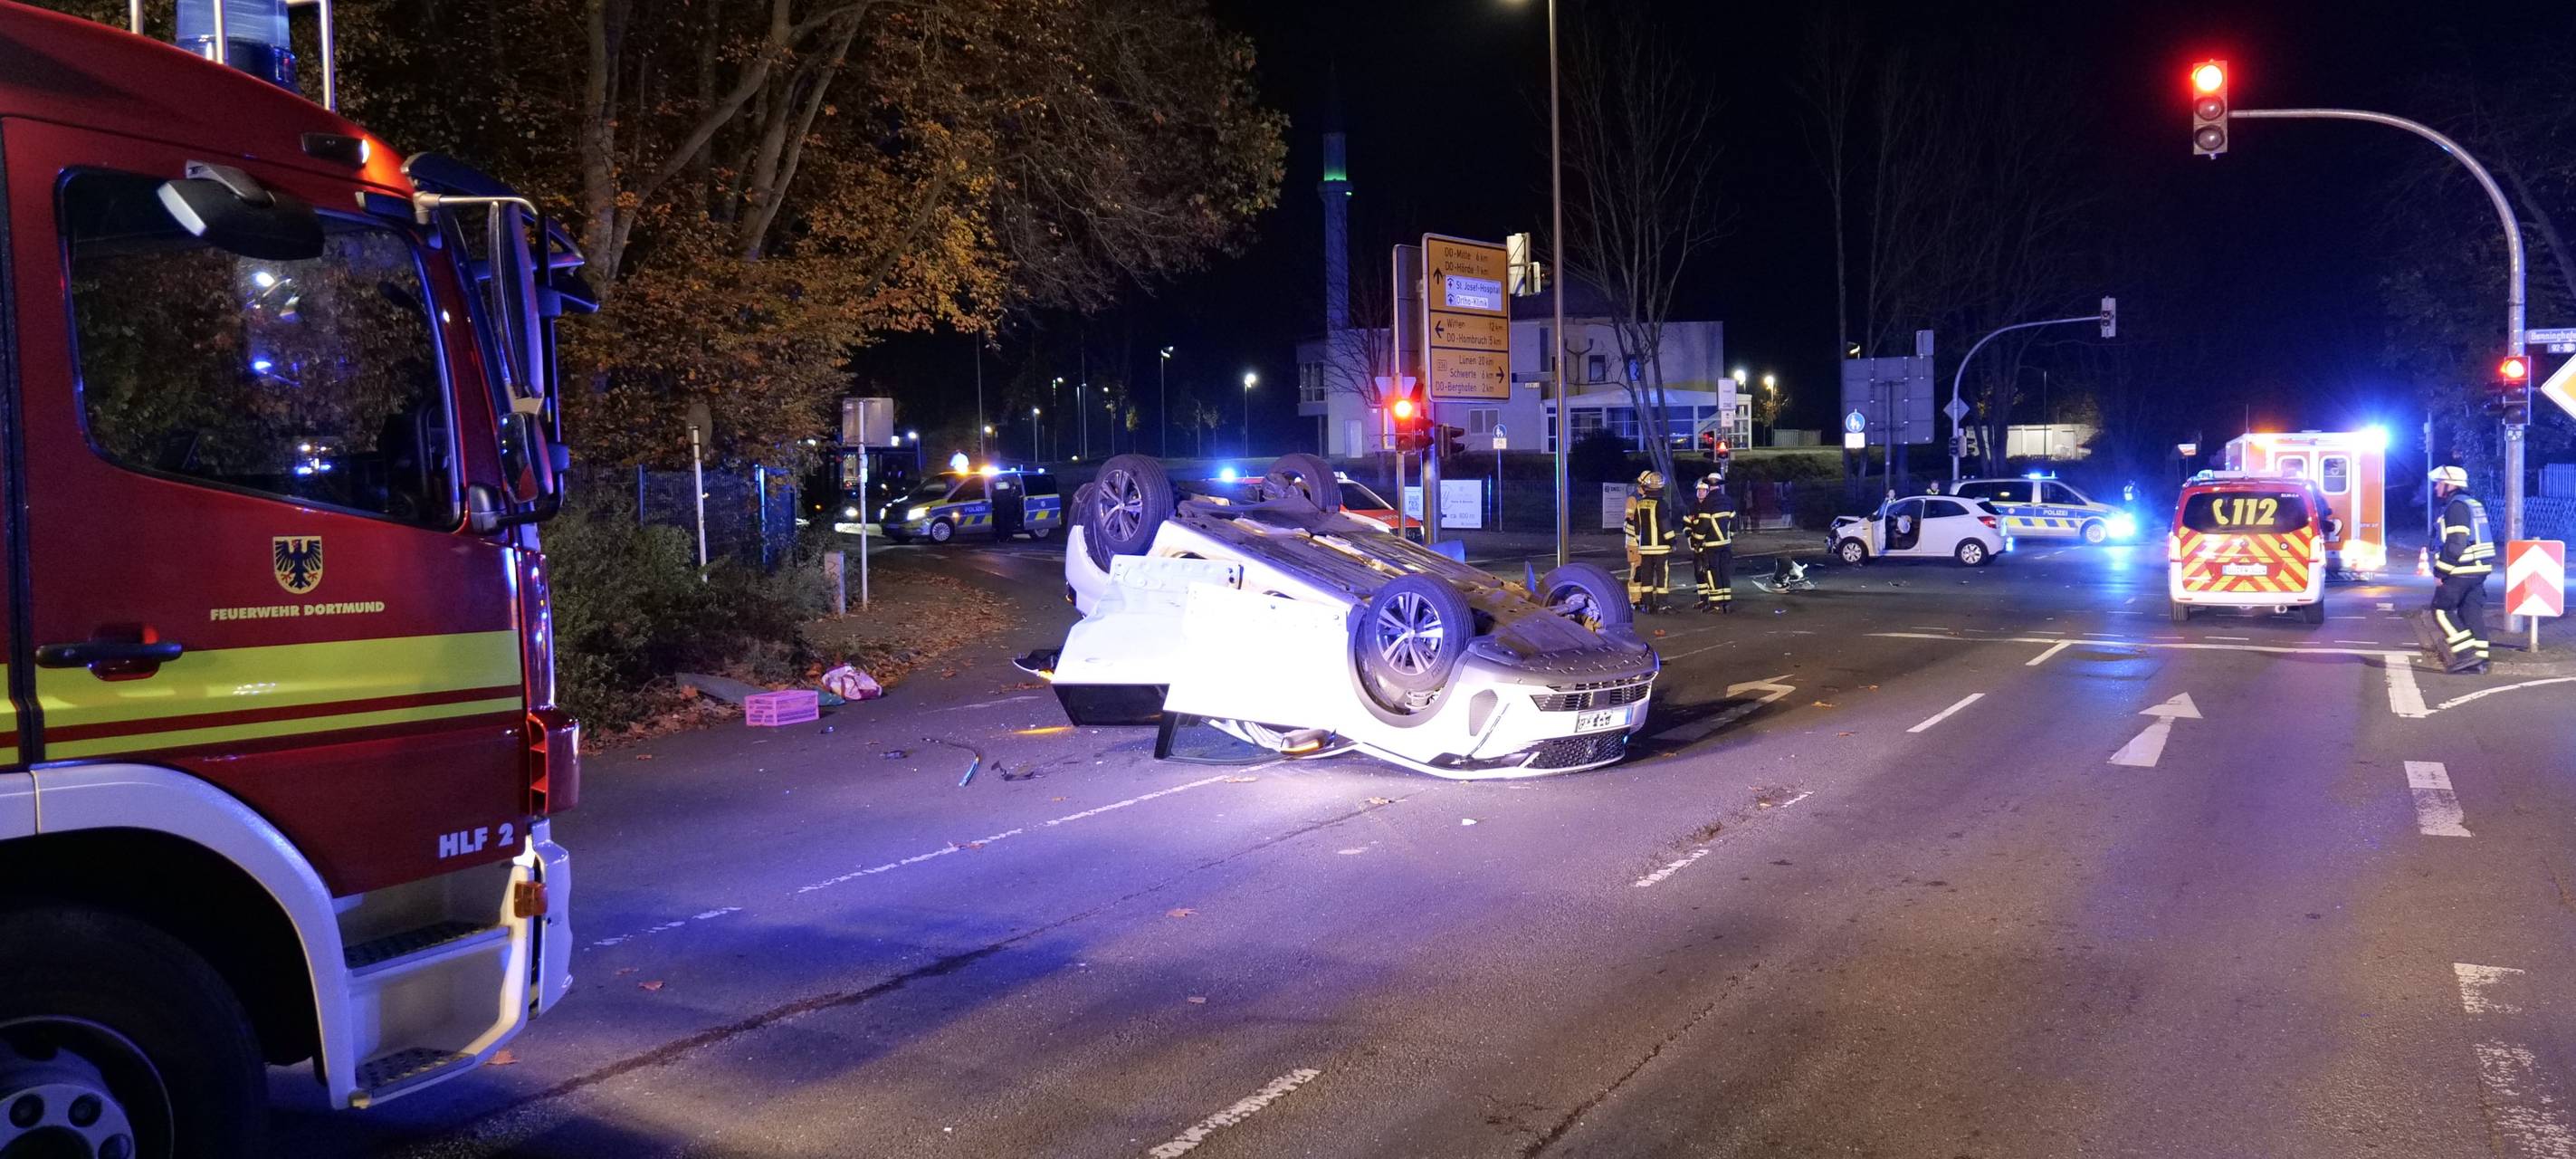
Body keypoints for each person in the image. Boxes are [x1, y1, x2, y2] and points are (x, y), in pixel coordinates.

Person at [2428, 465, 2495, 674]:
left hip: (2461, 569)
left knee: (2441, 611)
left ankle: (2467, 654)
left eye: (2439, 483)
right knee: (2470, 610)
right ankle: (2480, 659)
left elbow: (2456, 543)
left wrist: (2441, 572)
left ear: (2450, 485)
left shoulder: (2456, 507)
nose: (2436, 487)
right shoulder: (2472, 503)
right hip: (2478, 569)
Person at [1626, 470, 1676, 614]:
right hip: (1660, 548)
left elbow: (1636, 526)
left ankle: (1647, 604)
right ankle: (1662, 604)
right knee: (1662, 576)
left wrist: (1639, 541)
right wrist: (1672, 541)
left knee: (1646, 576)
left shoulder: (1640, 503)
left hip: (1645, 548)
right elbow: (1665, 525)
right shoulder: (1661, 504)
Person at [1687, 474, 1734, 613]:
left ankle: (1715, 603)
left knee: (1713, 572)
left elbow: (1704, 524)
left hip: (1712, 544)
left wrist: (1696, 539)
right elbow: (1734, 523)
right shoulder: (1728, 500)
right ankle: (1726, 602)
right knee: (1724, 571)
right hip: (1726, 543)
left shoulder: (1708, 502)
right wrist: (1729, 536)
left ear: (1709, 485)